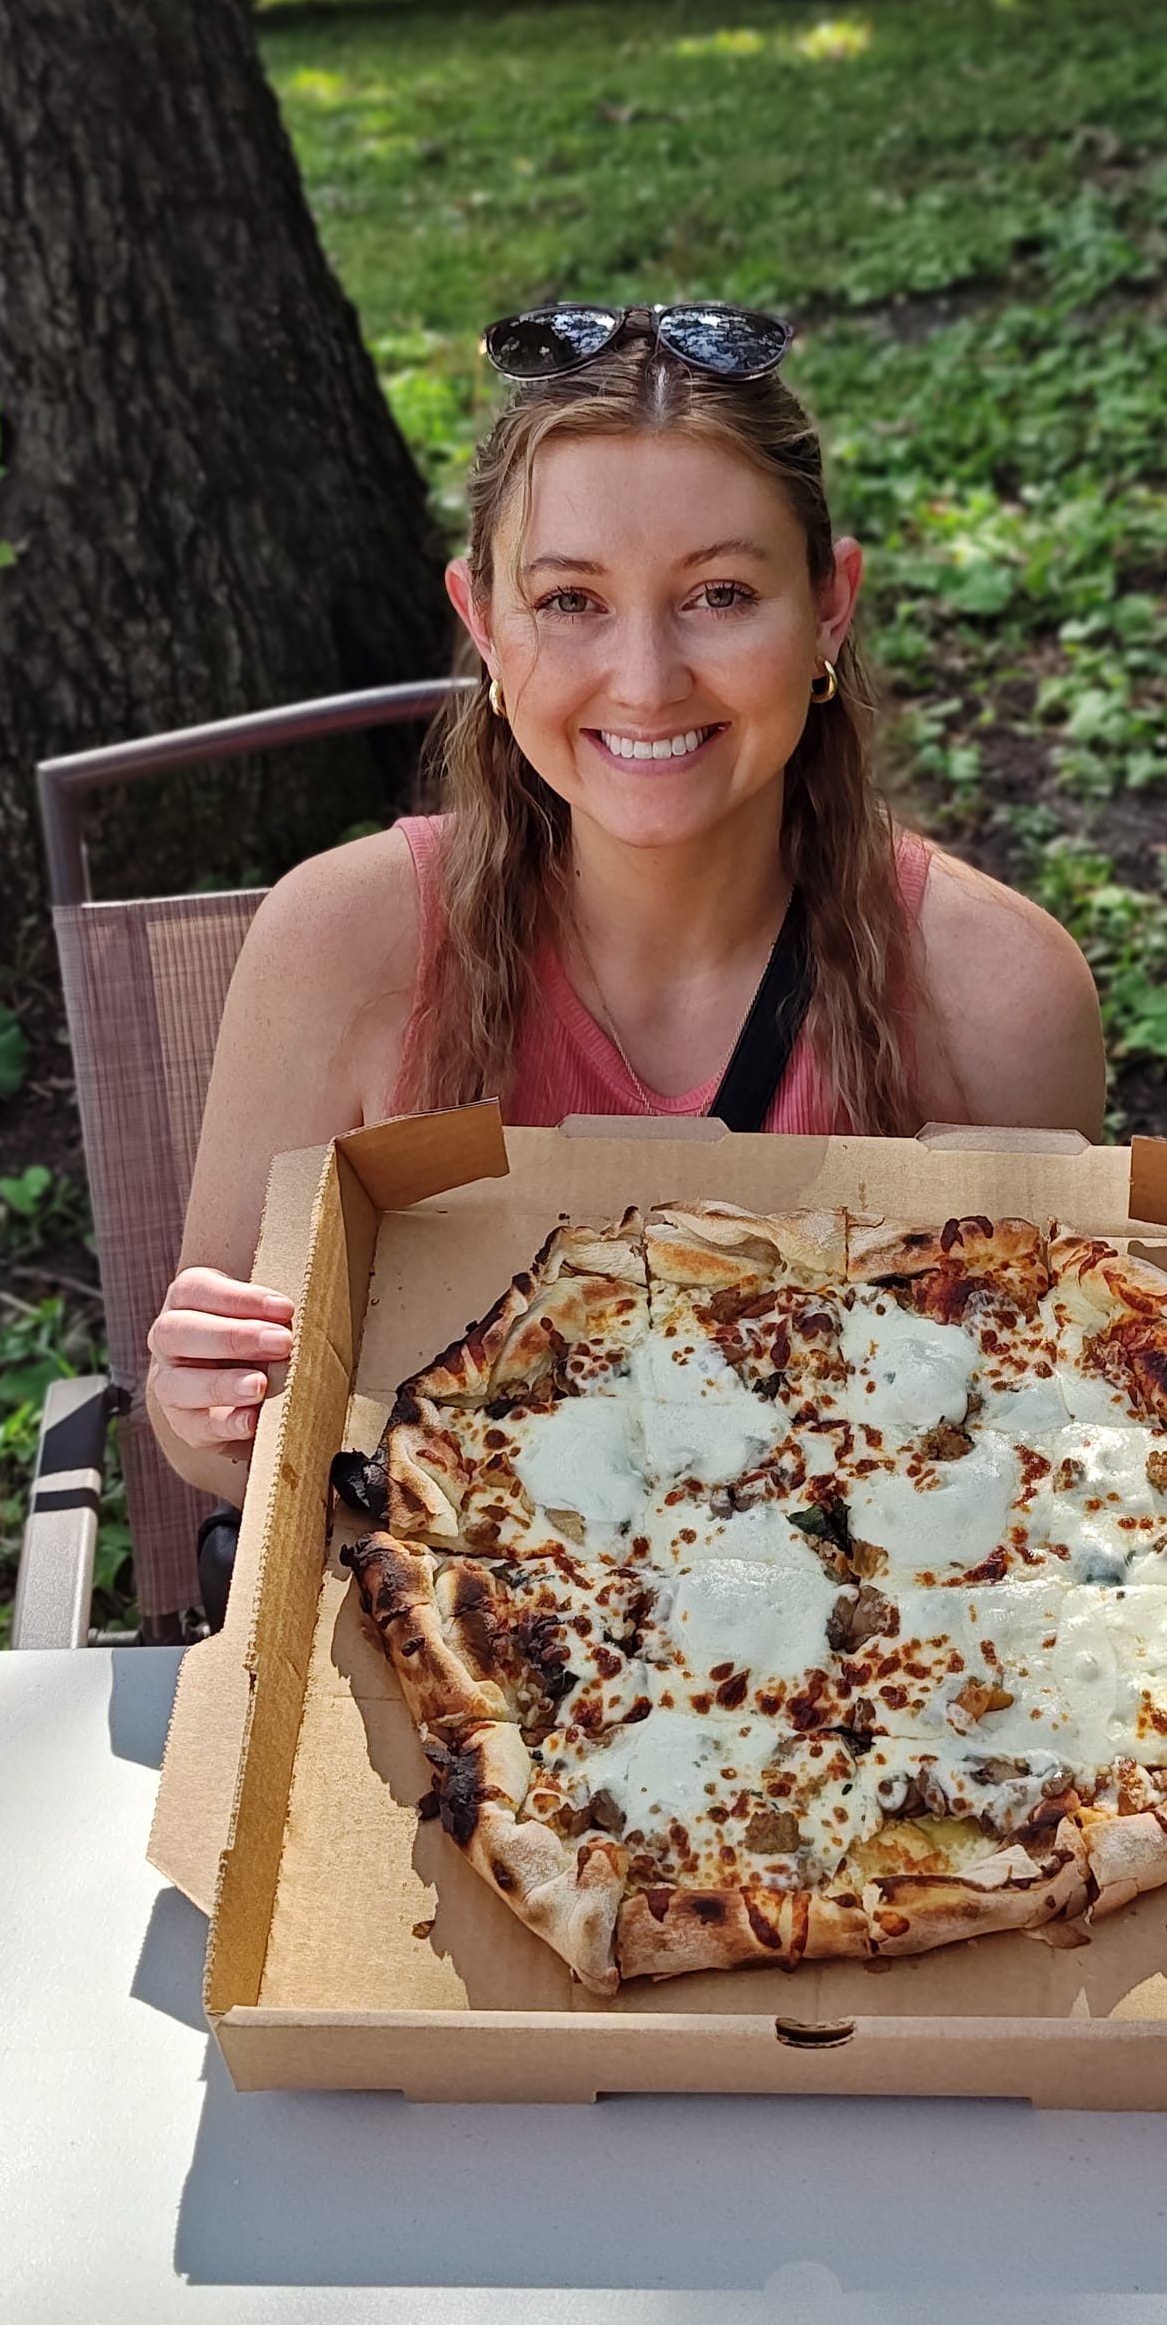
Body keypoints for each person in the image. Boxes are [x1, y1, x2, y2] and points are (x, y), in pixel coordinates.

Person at [147, 303, 1106, 1507]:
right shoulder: (338, 945)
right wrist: (208, 1400)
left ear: (829, 605)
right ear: (482, 624)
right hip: (451, 1631)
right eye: (569, 601)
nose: (645, 683)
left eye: (717, 595)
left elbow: (1029, 1443)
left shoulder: (997, 993)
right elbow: (213, 1434)